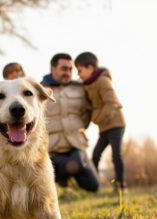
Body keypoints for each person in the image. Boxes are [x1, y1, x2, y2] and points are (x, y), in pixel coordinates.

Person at [41, 53, 99, 192]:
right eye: (63, 69)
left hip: (76, 145)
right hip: (51, 149)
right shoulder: (40, 90)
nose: (67, 73)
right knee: (69, 165)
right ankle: (63, 178)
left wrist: (77, 128)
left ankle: (64, 177)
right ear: (53, 69)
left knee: (93, 185)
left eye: (70, 69)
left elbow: (87, 113)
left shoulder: (80, 88)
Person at [74, 52, 127, 192]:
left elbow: (112, 102)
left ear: (90, 68)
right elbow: (89, 108)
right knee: (96, 155)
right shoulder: (87, 85)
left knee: (116, 155)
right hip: (103, 128)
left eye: (80, 71)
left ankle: (121, 185)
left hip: (116, 123)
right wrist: (83, 126)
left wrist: (97, 118)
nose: (78, 75)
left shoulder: (103, 81)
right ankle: (94, 185)